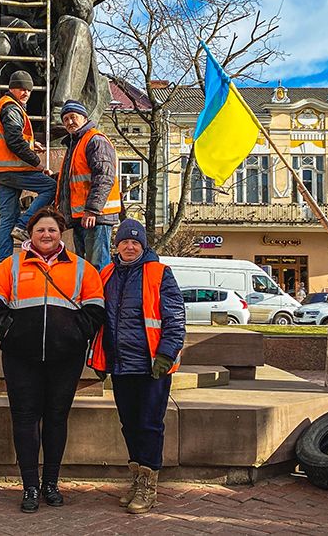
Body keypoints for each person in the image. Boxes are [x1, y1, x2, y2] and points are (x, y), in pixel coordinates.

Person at [0, 207, 105, 513]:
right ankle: (30, 487)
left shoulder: (81, 268)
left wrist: (77, 334)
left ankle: (51, 483)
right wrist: (11, 331)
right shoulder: (10, 266)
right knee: (24, 419)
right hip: (21, 357)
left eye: (51, 230)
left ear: (60, 233)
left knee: (56, 418)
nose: (46, 235)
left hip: (65, 357)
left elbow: (96, 307)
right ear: (31, 235)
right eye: (40, 230)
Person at [87, 219, 185, 514]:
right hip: (120, 365)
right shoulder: (106, 273)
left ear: (144, 245)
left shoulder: (160, 273)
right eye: (124, 241)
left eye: (136, 242)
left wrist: (166, 355)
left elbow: (175, 319)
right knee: (129, 425)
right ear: (116, 245)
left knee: (150, 425)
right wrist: (98, 357)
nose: (130, 246)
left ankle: (148, 485)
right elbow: (98, 319)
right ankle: (136, 478)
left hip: (151, 366)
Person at [0, 70, 57, 261]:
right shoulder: (12, 108)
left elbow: (9, 137)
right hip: (9, 169)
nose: (25, 93)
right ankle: (23, 225)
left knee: (8, 215)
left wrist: (30, 144)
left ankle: (4, 262)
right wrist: (38, 164)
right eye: (20, 88)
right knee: (50, 186)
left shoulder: (4, 106)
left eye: (28, 90)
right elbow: (13, 141)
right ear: (11, 88)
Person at [56, 99, 120, 269]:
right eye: (66, 119)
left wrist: (92, 210)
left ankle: (100, 296)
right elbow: (75, 178)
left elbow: (104, 176)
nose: (69, 122)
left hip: (96, 216)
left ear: (84, 118)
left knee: (98, 266)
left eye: (73, 117)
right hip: (82, 217)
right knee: (85, 267)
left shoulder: (94, 140)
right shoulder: (76, 143)